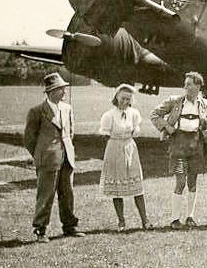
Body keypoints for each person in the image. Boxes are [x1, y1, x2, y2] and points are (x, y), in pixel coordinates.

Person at [24, 72, 85, 242]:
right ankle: (40, 230)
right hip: (47, 160)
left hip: (67, 158)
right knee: (46, 194)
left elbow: (70, 132)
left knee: (68, 193)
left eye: (64, 88)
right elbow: (29, 139)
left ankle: (70, 226)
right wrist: (42, 153)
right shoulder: (36, 111)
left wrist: (67, 149)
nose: (64, 92)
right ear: (51, 91)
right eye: (61, 89)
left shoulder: (67, 108)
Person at [150, 72, 207, 229]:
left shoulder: (205, 104)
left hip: (196, 145)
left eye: (189, 84)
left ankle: (190, 217)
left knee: (192, 182)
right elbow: (154, 114)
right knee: (180, 181)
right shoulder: (175, 101)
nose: (185, 86)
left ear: (198, 86)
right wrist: (167, 127)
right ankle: (174, 219)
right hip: (178, 145)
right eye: (185, 84)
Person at [99, 84, 152, 231]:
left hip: (130, 149)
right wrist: (115, 148)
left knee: (137, 186)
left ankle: (145, 220)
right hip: (114, 148)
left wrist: (133, 133)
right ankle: (121, 222)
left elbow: (136, 130)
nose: (125, 102)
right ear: (116, 97)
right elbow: (105, 135)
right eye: (122, 98)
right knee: (117, 186)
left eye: (128, 99)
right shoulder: (109, 115)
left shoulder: (134, 113)